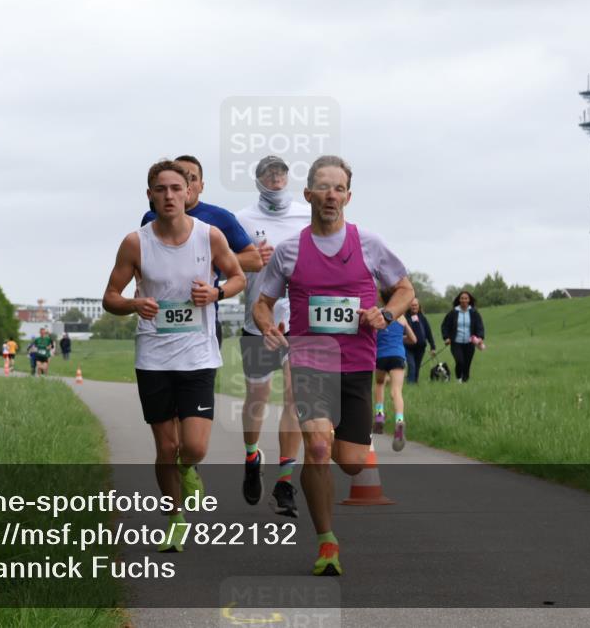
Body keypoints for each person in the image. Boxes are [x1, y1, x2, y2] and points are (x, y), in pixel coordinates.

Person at [254, 155, 413, 576]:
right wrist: (268, 327)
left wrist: (387, 314)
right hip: (309, 361)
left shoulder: (369, 244)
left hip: (358, 364)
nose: (331, 195)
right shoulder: (289, 250)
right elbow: (262, 303)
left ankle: (323, 473)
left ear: (348, 196)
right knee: (319, 448)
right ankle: (327, 542)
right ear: (308, 195)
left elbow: (403, 288)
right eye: (323, 187)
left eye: (338, 188)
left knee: (352, 461)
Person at [104, 159, 245, 552]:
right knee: (165, 447)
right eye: (160, 189)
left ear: (189, 193)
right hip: (153, 357)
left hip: (198, 354)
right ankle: (175, 519)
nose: (169, 196)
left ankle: (189, 470)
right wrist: (135, 304)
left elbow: (238, 277)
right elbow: (110, 298)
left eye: (176, 188)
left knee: (194, 448)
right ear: (150, 195)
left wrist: (216, 293)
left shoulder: (210, 236)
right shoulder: (136, 242)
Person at [234, 155, 311, 517]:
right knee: (258, 397)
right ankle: (252, 456)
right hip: (257, 320)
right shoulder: (243, 219)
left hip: (297, 321)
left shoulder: (304, 215)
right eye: (269, 173)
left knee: (295, 395)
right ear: (259, 180)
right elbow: (227, 265)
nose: (276, 179)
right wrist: (249, 260)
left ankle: (284, 481)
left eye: (281, 172)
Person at [141, 155, 261, 346]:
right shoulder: (150, 218)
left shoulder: (220, 218)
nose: (186, 183)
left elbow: (254, 260)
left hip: (203, 320)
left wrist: (212, 259)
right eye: (181, 177)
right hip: (159, 321)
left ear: (199, 186)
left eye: (192, 178)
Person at [373, 292, 417, 451]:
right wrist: (400, 339)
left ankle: (379, 414)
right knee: (396, 390)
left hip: (381, 356)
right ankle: (399, 420)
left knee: (379, 383)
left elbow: (372, 338)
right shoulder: (402, 317)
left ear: (381, 299)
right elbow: (414, 340)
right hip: (398, 355)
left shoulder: (377, 314)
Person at [441, 291, 485, 383]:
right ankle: (459, 379)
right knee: (460, 361)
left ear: (469, 300)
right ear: (459, 300)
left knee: (467, 364)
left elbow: (479, 326)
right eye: (462, 298)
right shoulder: (453, 312)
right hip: (456, 342)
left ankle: (465, 381)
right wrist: (446, 338)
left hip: (470, 343)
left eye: (466, 298)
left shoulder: (474, 312)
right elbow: (445, 326)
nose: (464, 300)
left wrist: (480, 337)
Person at [403, 298, 436, 384]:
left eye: (415, 305)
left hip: (420, 348)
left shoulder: (422, 318)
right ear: (408, 306)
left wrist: (433, 347)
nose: (414, 307)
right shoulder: (404, 318)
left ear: (419, 306)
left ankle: (415, 384)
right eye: (412, 305)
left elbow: (428, 333)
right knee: (412, 366)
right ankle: (410, 384)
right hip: (408, 347)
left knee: (417, 367)